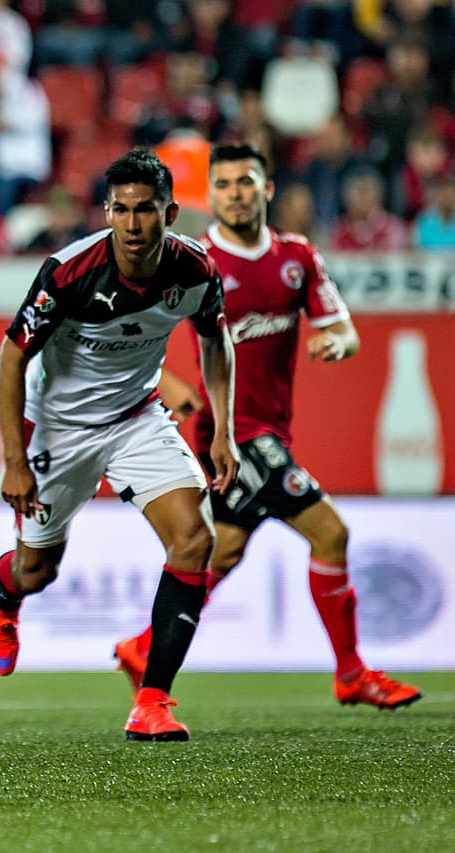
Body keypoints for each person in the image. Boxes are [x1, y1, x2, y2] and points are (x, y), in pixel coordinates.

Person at [114, 144, 423, 710]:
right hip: (229, 435)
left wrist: (339, 342)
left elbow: (344, 328)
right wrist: (169, 386)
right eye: (224, 184)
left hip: (273, 432)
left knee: (223, 552)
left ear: (267, 188)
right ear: (210, 196)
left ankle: (144, 646)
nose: (235, 192)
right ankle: (352, 673)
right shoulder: (190, 260)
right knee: (331, 534)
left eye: (245, 181)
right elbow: (124, 336)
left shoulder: (297, 256)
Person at [0, 147, 240, 742]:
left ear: (170, 213)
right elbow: (12, 355)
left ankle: (152, 699)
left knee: (195, 537)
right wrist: (16, 460)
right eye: (120, 210)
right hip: (60, 429)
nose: (131, 224)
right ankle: (6, 584)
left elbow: (215, 344)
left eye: (144, 210)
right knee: (38, 571)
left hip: (136, 418)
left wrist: (222, 429)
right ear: (107, 211)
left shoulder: (195, 270)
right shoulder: (69, 272)